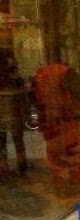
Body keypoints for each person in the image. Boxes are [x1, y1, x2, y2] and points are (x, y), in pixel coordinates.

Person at [30, 57, 80, 194]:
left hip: (49, 123)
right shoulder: (64, 72)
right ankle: (75, 187)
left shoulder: (40, 74)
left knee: (54, 156)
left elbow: (33, 98)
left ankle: (60, 186)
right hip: (66, 121)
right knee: (72, 152)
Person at [0, 48, 28, 176]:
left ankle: (4, 166)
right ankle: (22, 166)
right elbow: (20, 86)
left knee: (2, 140)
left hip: (9, 109)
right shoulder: (11, 72)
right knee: (17, 139)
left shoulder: (10, 72)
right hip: (11, 109)